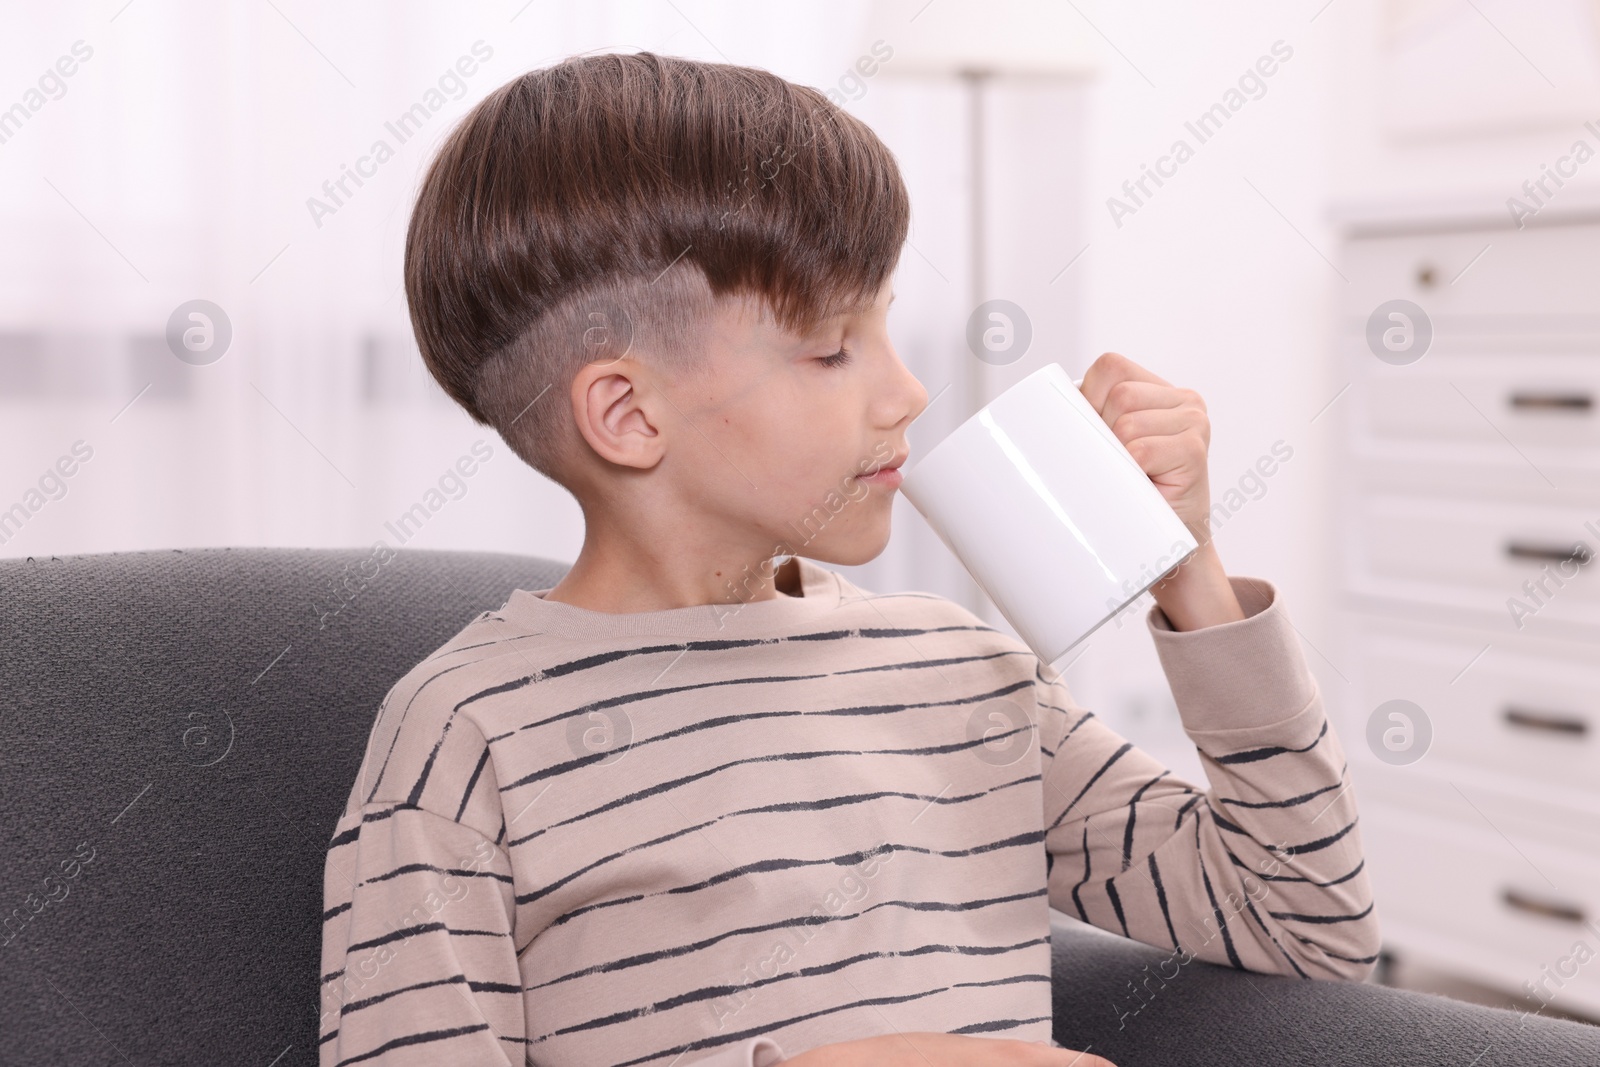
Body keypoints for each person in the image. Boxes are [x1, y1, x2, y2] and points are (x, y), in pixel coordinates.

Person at [317, 51, 1379, 1067]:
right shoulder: (467, 740)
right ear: (628, 413)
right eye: (833, 348)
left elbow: (1305, 926)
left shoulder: (963, 674)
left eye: (887, 329)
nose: (906, 392)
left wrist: (1186, 566)